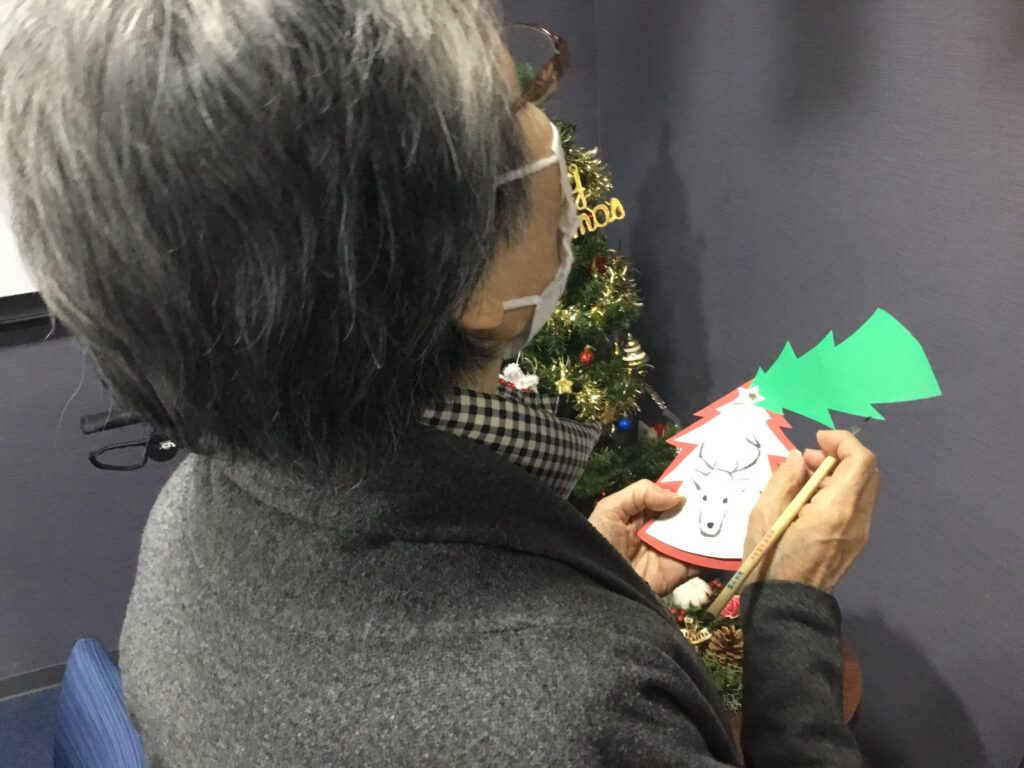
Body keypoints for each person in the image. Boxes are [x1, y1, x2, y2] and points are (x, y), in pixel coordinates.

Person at [0, 1, 880, 765]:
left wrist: (577, 571)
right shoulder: (580, 715)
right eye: (522, 100)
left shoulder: (189, 517)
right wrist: (790, 612)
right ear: (457, 274)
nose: (548, 129)